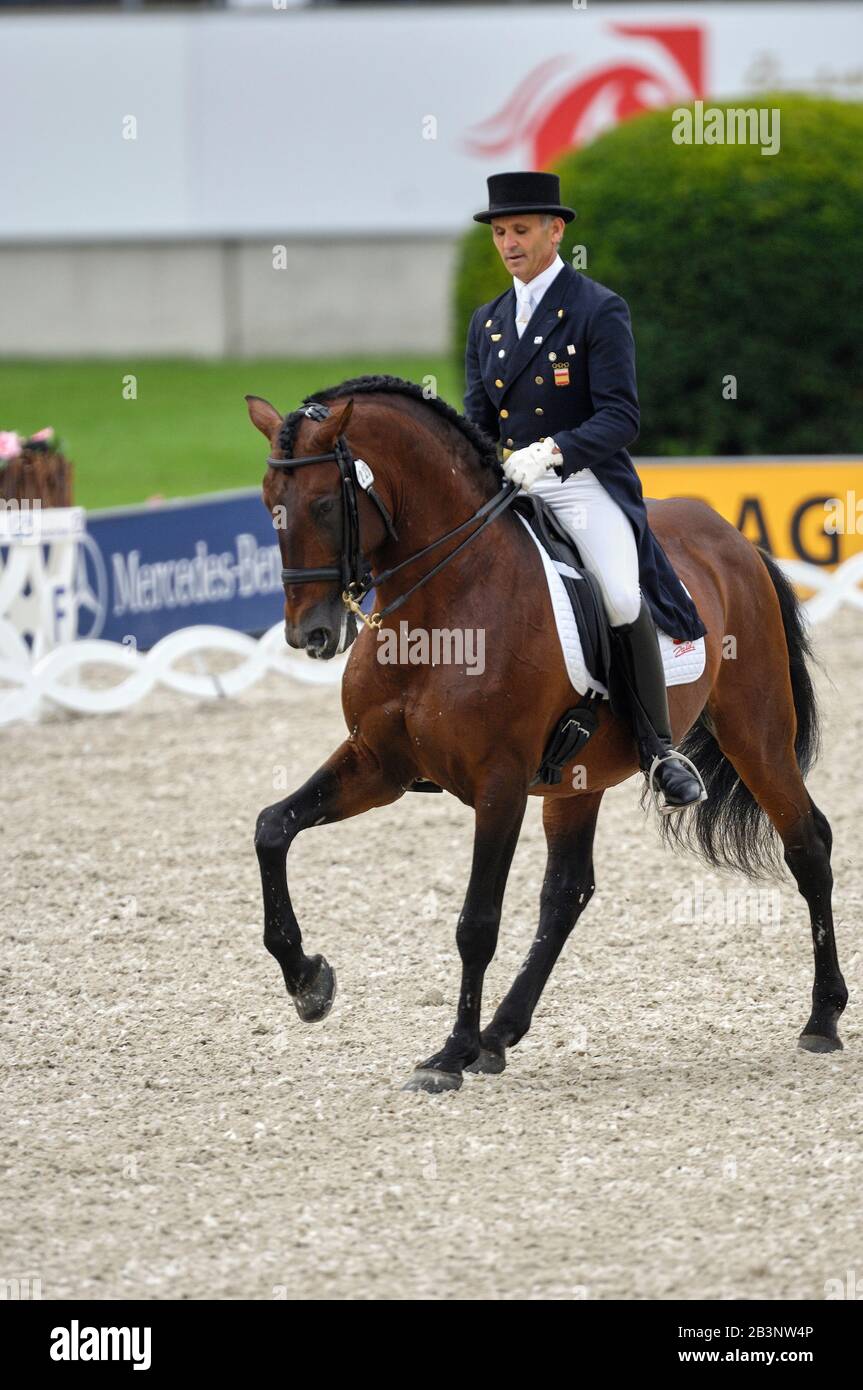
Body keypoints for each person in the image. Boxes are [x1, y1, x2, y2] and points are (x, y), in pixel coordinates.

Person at [464, 170, 707, 813]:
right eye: (500, 232)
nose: (509, 243)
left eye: (520, 230)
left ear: (555, 231)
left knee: (622, 596)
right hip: (512, 487)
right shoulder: (487, 321)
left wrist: (552, 451)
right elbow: (478, 423)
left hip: (582, 482)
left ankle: (658, 749)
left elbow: (621, 416)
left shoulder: (598, 308)